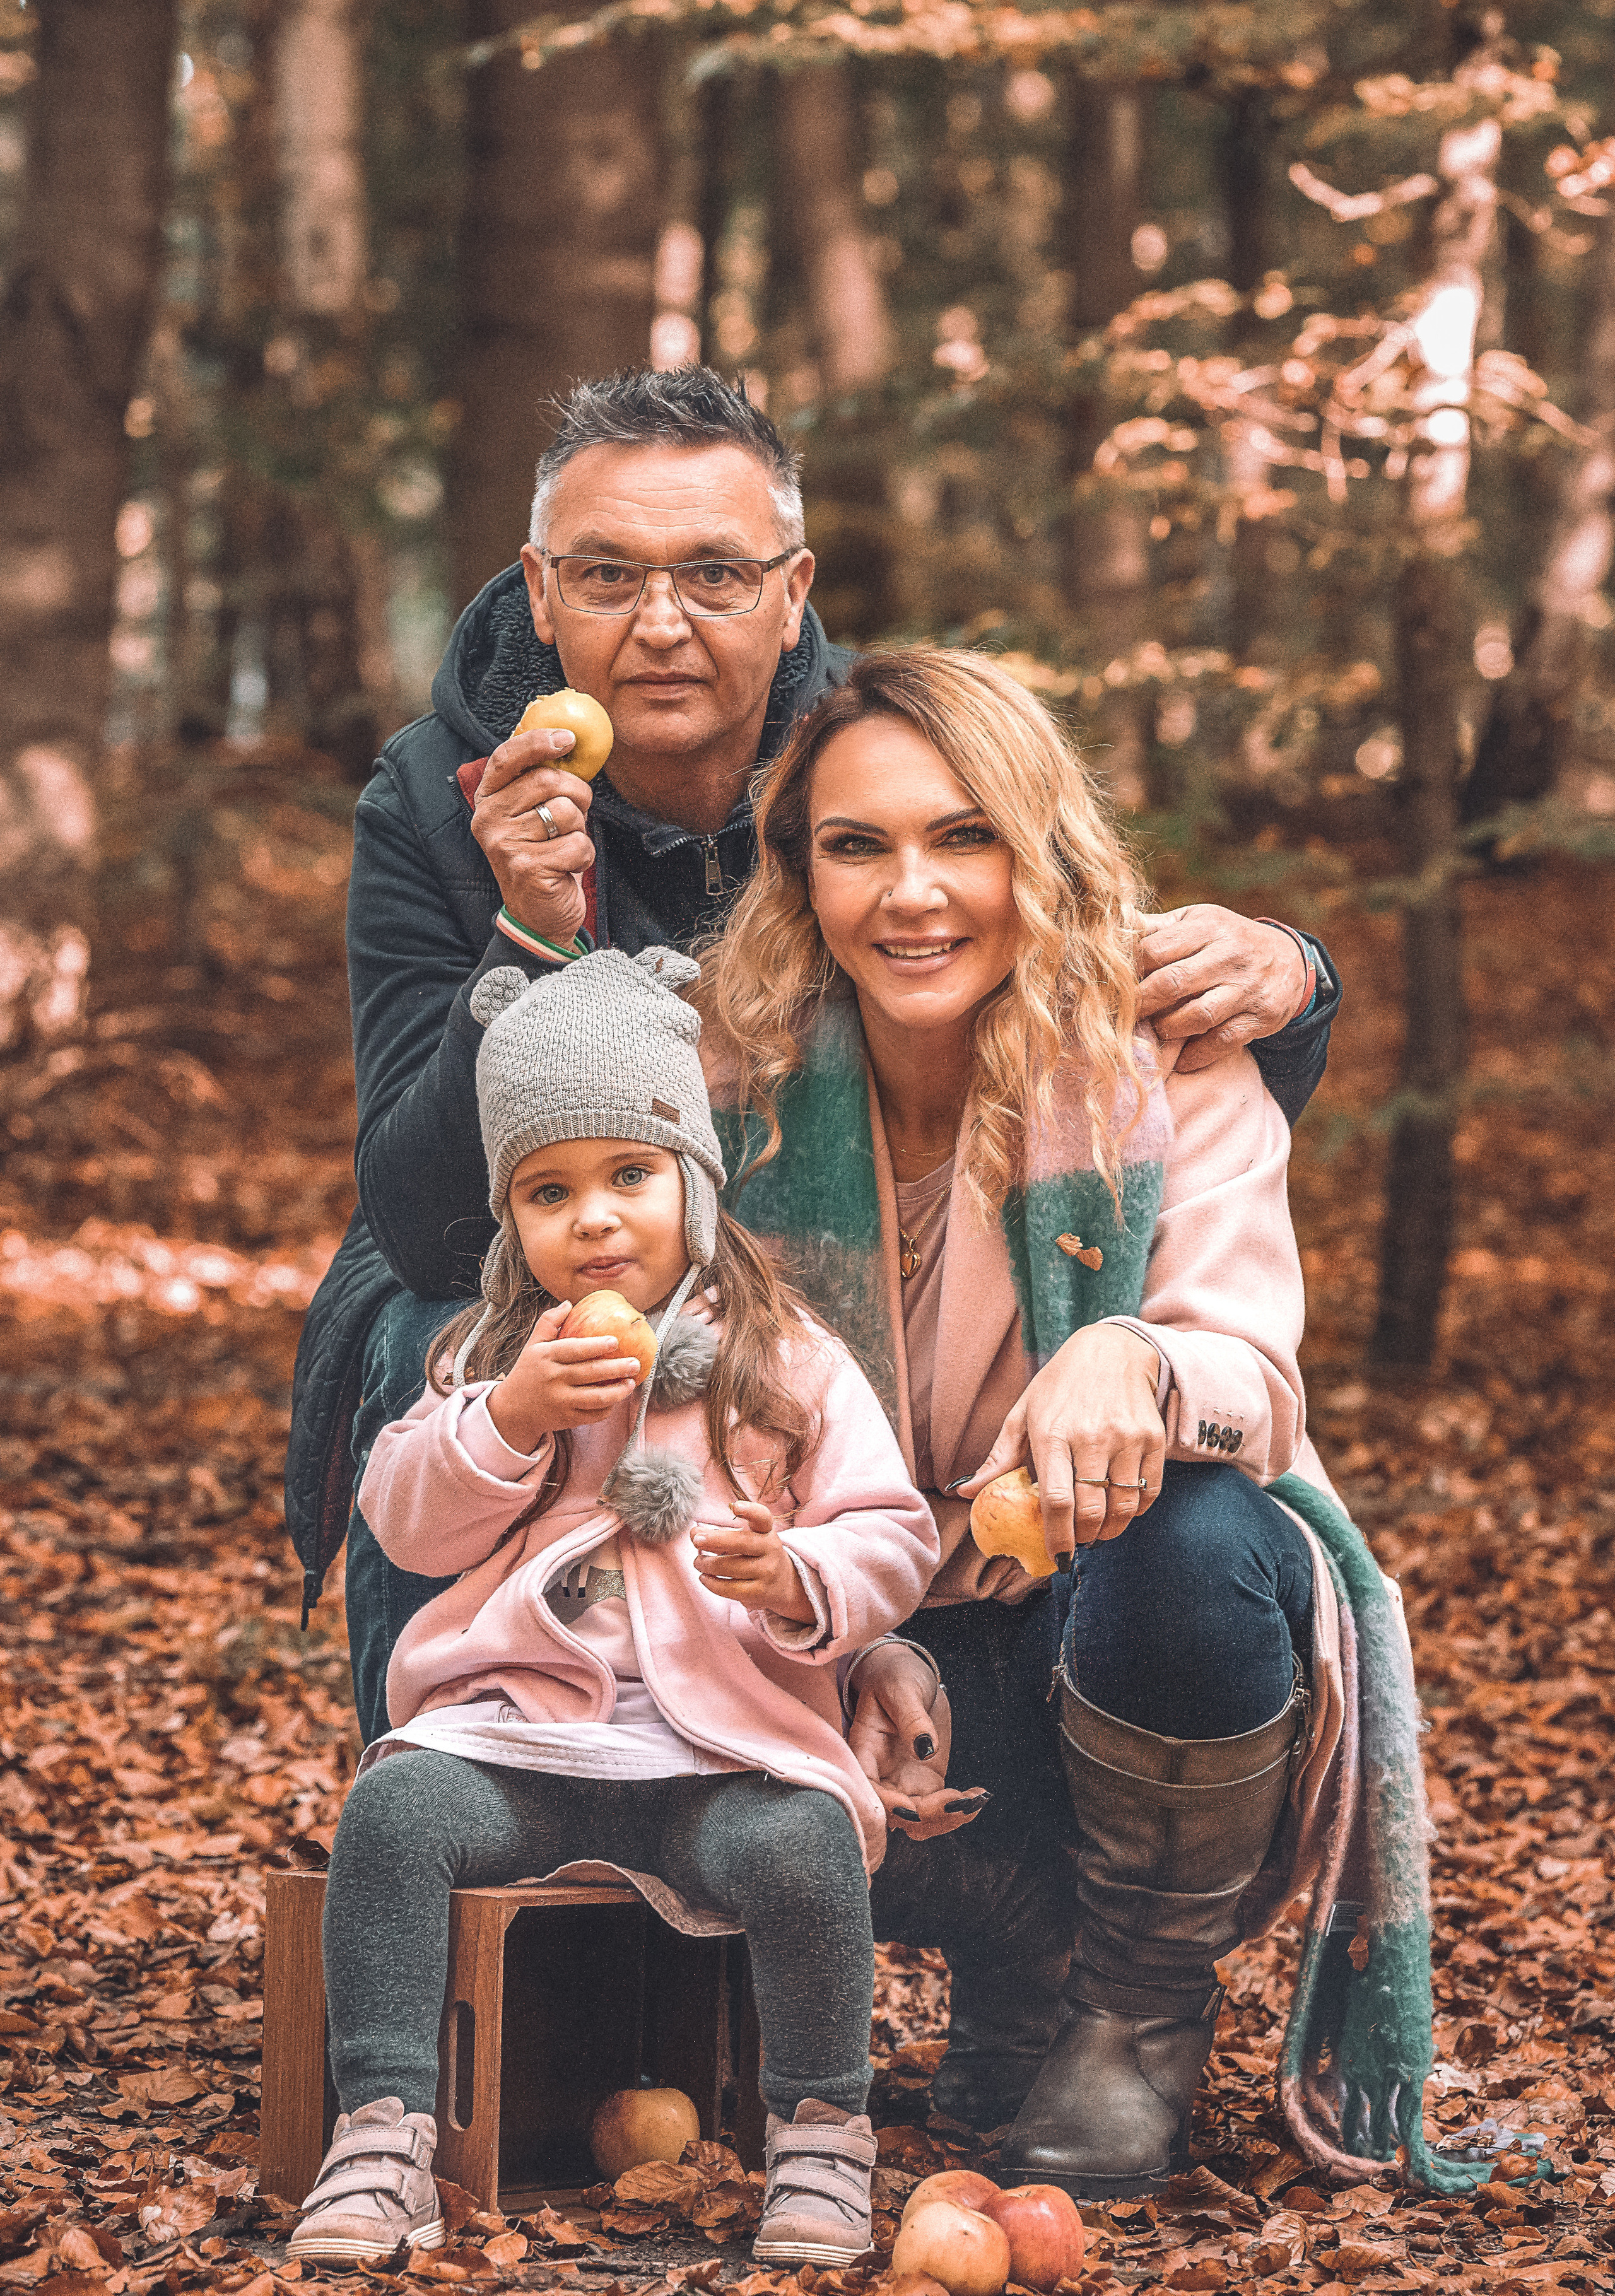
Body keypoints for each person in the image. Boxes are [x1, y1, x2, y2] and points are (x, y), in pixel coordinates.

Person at [285, 366, 1340, 1744]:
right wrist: (527, 947)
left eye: (714, 575)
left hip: (826, 1250)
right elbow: (425, 1217)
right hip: (523, 1235)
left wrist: (1292, 983)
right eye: (607, 577)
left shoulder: (882, 748)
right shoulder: (437, 793)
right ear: (540, 594)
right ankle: (457, 1777)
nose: (660, 624)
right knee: (447, 1347)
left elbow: (1094, 1036)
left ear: (790, 591)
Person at [696, 645, 1418, 2196]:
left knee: (1210, 1529)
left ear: (1044, 850)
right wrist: (838, 1625)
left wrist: (1137, 1358)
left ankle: (1134, 2012)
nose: (913, 894)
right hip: (861, 1658)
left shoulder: (1160, 1057)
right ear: (794, 872)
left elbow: (1257, 1372)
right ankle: (1026, 1961)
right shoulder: (724, 1087)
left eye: (967, 837)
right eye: (856, 844)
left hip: (1097, 1643)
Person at [288, 944, 941, 2270]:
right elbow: (403, 1518)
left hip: (722, 1759)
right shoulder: (491, 1357)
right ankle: (382, 2125)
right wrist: (515, 1417)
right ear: (511, 1217)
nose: (592, 1219)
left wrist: (799, 1576)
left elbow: (892, 1531)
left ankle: (821, 2129)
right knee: (394, 1807)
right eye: (548, 1190)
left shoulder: (784, 1357)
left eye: (629, 1177)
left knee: (807, 1842)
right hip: (532, 1749)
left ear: (693, 1186)